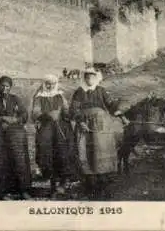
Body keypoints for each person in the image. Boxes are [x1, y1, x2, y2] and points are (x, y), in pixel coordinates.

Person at [69, 67, 124, 199]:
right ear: (84, 78)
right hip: (85, 126)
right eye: (87, 77)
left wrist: (117, 108)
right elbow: (74, 109)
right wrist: (81, 122)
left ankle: (103, 184)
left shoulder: (101, 90)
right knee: (87, 152)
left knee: (102, 151)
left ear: (96, 78)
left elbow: (110, 105)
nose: (89, 79)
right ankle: (90, 185)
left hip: (102, 126)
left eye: (92, 77)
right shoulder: (80, 92)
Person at [0, 76, 32, 200]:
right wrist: (0, 119)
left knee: (19, 160)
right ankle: (0, 192)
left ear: (10, 88)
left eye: (7, 86)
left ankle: (22, 190)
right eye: (3, 86)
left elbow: (24, 115)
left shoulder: (15, 99)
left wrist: (16, 119)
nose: (5, 89)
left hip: (14, 134)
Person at [31, 74, 76, 198]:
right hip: (47, 127)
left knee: (63, 152)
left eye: (52, 83)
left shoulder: (60, 95)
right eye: (48, 83)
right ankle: (52, 183)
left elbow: (66, 111)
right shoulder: (39, 97)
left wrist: (66, 114)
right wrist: (48, 115)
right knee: (47, 152)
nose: (50, 86)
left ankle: (63, 182)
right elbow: (35, 113)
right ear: (45, 84)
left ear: (56, 84)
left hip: (61, 127)